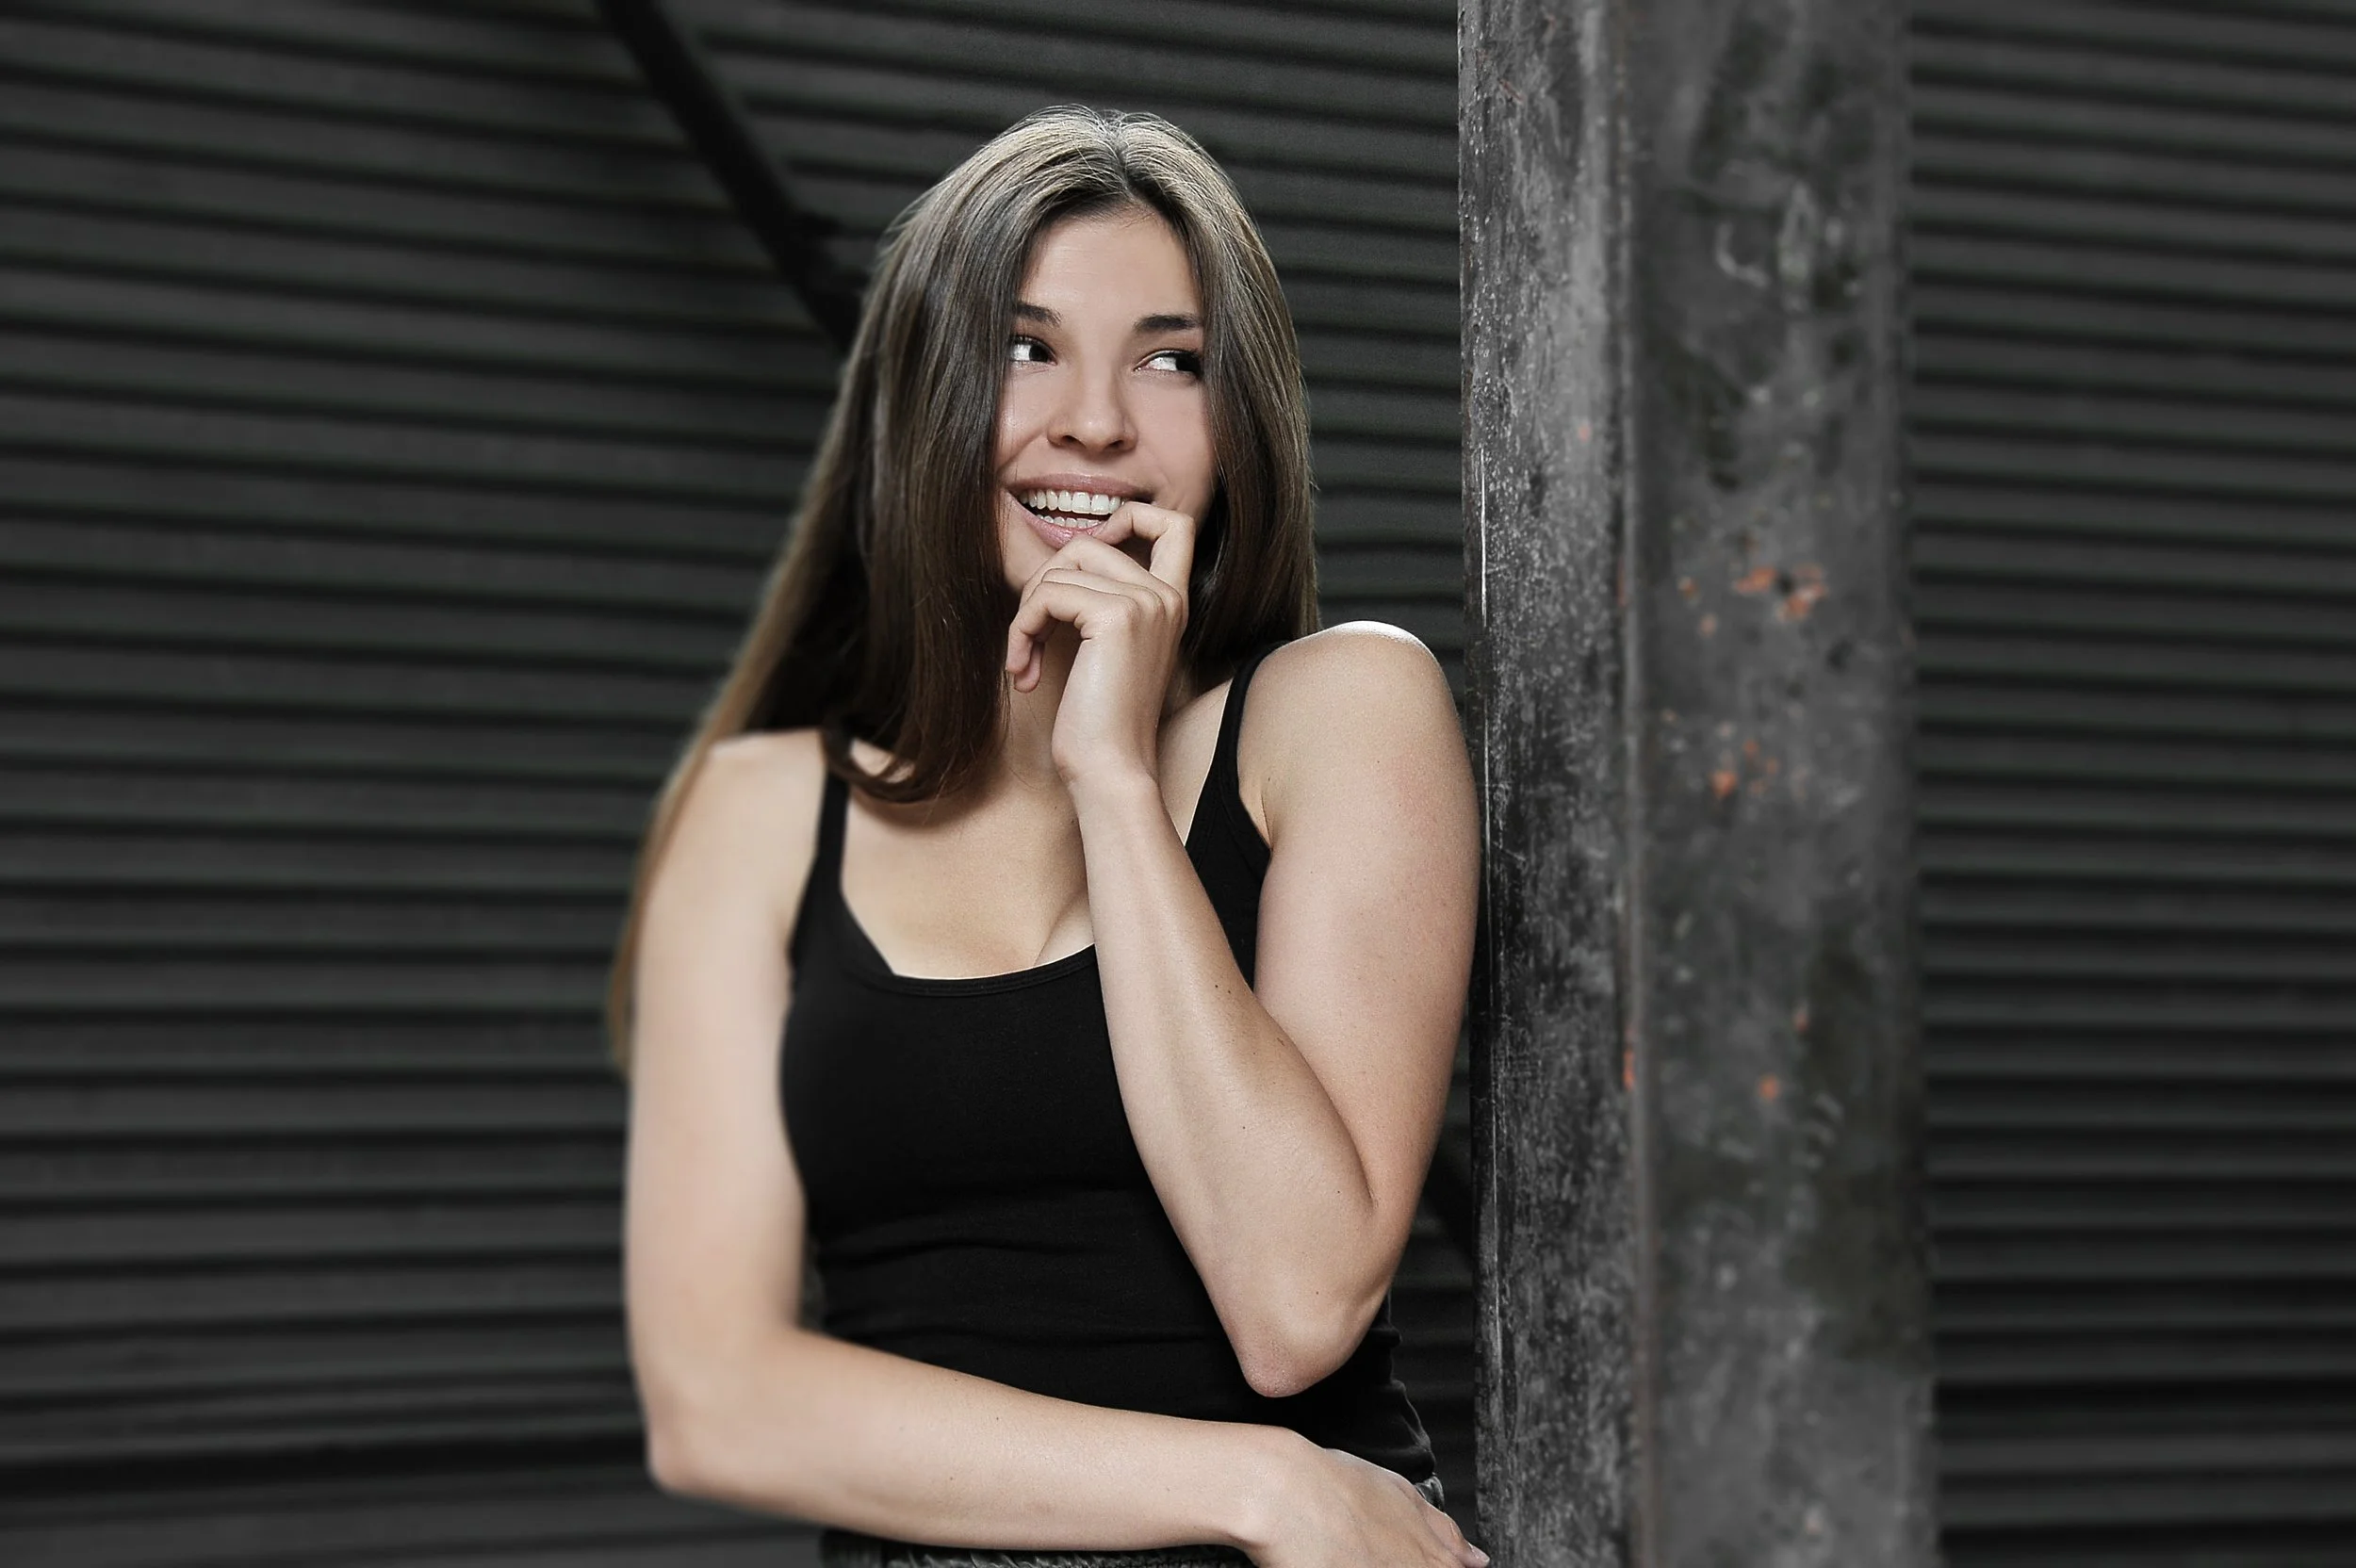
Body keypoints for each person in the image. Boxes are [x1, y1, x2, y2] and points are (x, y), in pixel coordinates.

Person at [607, 106, 1483, 1568]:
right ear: (925, 398)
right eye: (1026, 349)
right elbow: (720, 1400)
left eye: (1170, 360)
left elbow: (1296, 1303)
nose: (1096, 420)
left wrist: (1117, 786)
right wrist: (1264, 1490)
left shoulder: (1338, 715)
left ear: (1240, 420)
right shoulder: (760, 812)